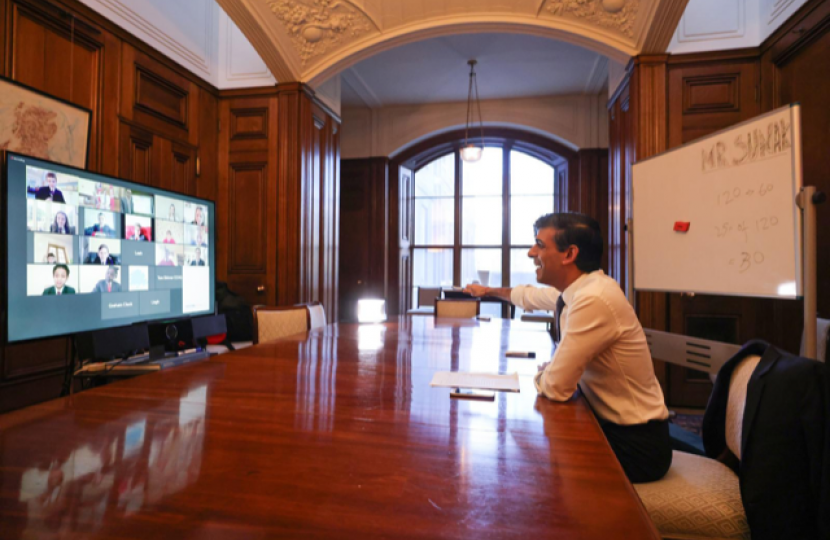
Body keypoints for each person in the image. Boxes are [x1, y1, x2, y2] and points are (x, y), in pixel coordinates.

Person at [463, 213, 671, 483]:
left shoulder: (593, 298)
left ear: (569, 254)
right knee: (526, 451)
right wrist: (488, 290)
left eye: (540, 244)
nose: (531, 252)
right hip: (614, 428)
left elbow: (556, 387)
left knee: (522, 465)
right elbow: (531, 295)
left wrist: (545, 373)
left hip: (635, 446)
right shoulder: (582, 289)